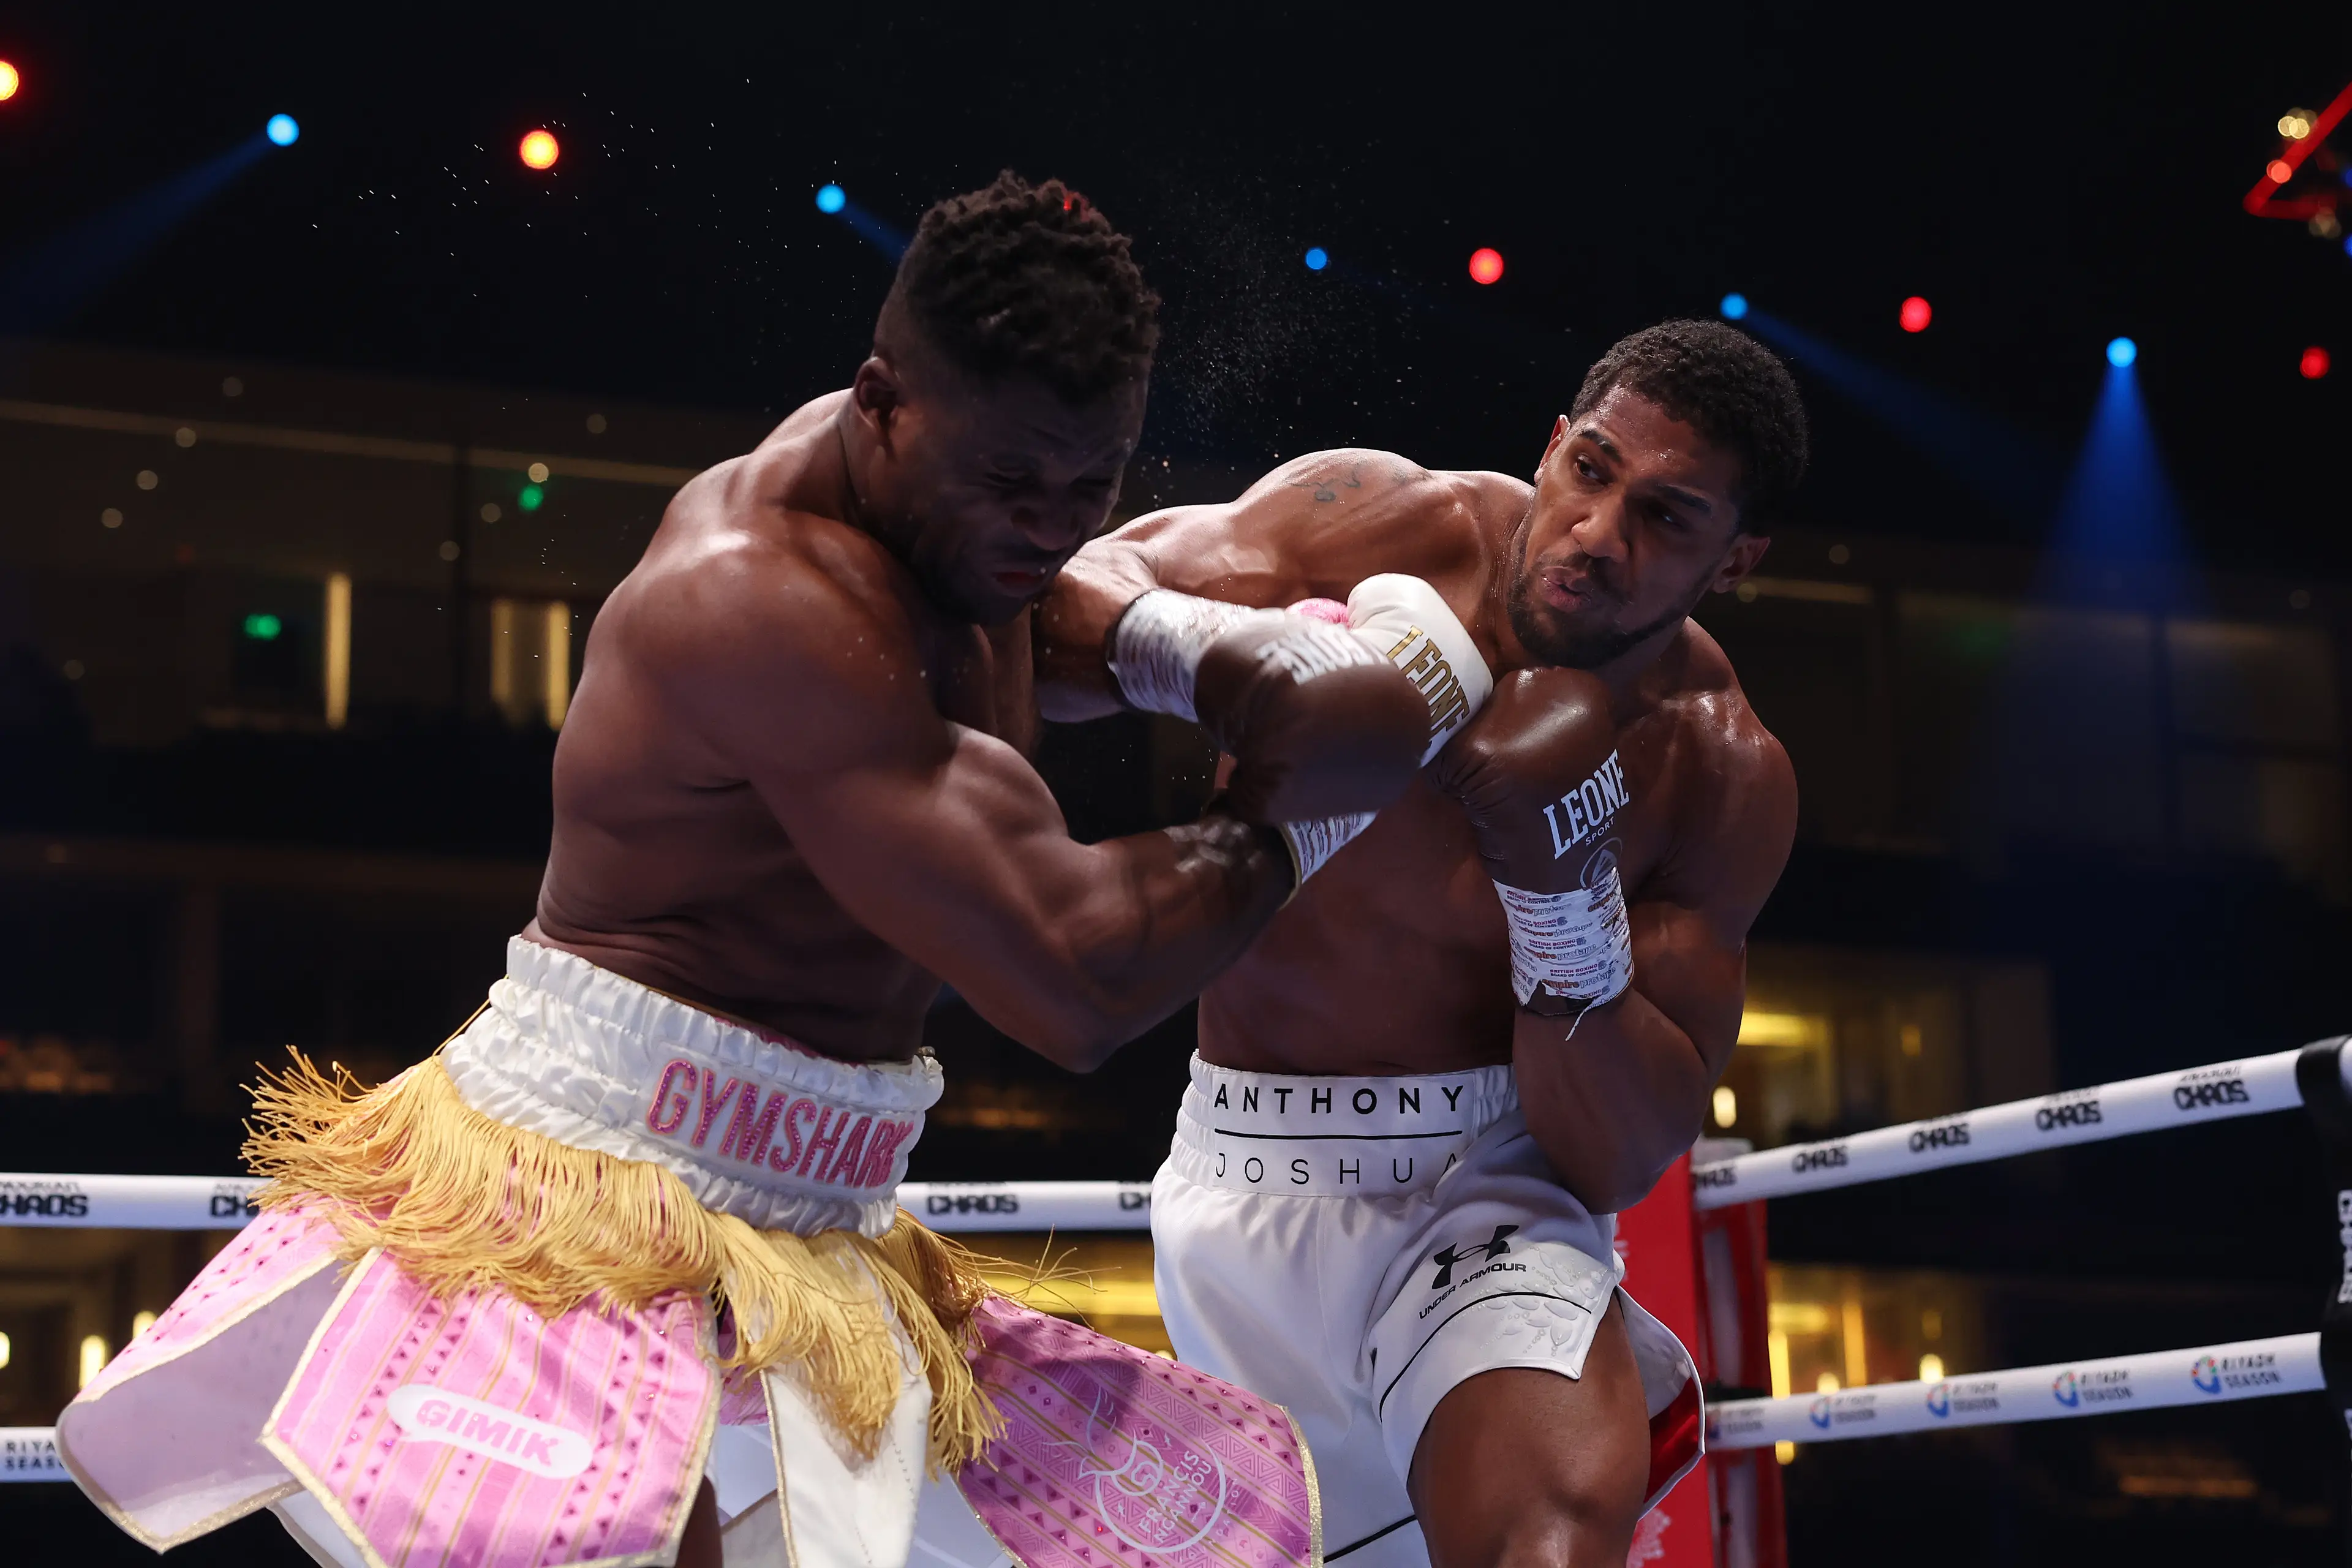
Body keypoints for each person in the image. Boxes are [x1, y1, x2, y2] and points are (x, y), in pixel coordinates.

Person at [55, 174, 1435, 1568]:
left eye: (1093, 482)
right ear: (881, 403)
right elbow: (1072, 975)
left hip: (817, 1207)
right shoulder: (766, 595)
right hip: (595, 1190)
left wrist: (1201, 651)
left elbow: (1050, 600)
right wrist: (1294, 806)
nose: (1047, 523)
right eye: (1011, 481)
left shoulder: (955, 529)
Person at [1035, 320, 1807, 1567]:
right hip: (1240, 1181)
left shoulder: (1716, 767)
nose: (1600, 536)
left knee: (1544, 1541)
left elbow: (1616, 1148)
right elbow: (1052, 610)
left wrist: (1565, 907)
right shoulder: (1382, 526)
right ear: (1554, 447)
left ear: (1738, 557)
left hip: (1489, 1193)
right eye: (1593, 471)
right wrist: (1261, 668)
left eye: (1668, 517)